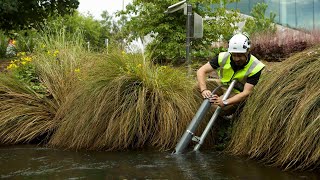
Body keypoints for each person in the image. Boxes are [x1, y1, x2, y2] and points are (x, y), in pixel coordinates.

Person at [197, 33, 265, 114]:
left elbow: (247, 92)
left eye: (240, 55)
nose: (236, 59)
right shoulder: (223, 57)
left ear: (247, 51)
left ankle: (229, 117)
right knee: (197, 90)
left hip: (238, 93)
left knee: (215, 107)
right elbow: (201, 71)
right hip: (223, 85)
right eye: (234, 55)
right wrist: (204, 90)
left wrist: (225, 102)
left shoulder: (255, 66)